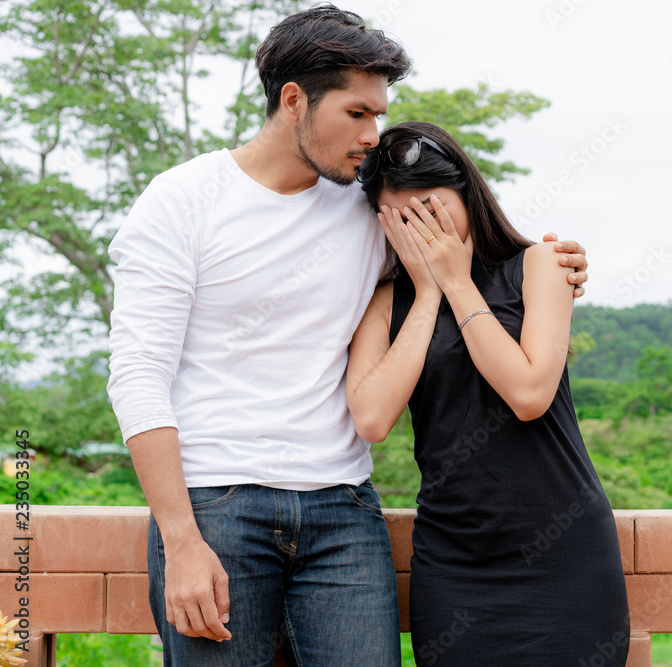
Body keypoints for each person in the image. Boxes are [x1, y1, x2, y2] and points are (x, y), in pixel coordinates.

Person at [106, 6, 590, 666]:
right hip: (216, 502)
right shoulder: (181, 201)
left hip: (342, 508)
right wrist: (180, 537)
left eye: (379, 115)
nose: (372, 133)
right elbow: (138, 376)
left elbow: (467, 245)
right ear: (294, 99)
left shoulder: (368, 208)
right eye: (357, 113)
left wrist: (558, 264)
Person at [346, 121, 630, 666]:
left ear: (466, 192)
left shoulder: (540, 266)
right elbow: (371, 419)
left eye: (432, 206)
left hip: (565, 554)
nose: (423, 226)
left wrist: (456, 282)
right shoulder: (386, 303)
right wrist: (428, 292)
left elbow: (528, 394)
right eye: (403, 217)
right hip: (454, 563)